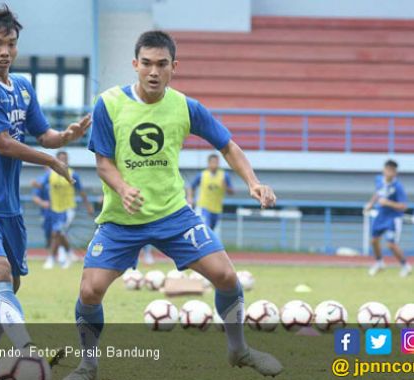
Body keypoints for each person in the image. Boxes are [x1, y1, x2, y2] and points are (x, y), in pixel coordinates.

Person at [64, 30, 282, 380]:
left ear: (174, 67)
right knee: (90, 289)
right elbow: (103, 162)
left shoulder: (185, 107)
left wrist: (254, 183)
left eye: (162, 64)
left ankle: (239, 350)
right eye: (146, 64)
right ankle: (87, 365)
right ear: (135, 64)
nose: (153, 71)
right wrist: (122, 188)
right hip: (121, 219)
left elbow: (227, 145)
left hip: (173, 215)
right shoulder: (108, 103)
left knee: (226, 276)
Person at [0, 6, 90, 379]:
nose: (5, 51)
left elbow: (44, 134)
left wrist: (67, 137)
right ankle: (28, 353)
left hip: (7, 205)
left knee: (12, 281)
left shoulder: (24, 87)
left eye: (10, 43)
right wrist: (51, 161)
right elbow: (4, 145)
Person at [36, 151, 94, 269]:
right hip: (54, 209)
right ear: (56, 160)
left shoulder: (73, 174)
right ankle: (69, 254)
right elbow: (41, 185)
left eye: (65, 159)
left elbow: (81, 191)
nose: (63, 161)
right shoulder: (49, 174)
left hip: (68, 209)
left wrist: (88, 206)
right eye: (61, 158)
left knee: (57, 232)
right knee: (59, 234)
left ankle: (51, 259)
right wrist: (35, 185)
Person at [364, 160, 411, 277]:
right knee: (374, 240)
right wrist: (370, 203)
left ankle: (405, 265)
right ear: (384, 170)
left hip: (393, 218)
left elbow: (403, 206)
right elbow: (378, 193)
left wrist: (388, 203)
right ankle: (379, 263)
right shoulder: (379, 180)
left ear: (395, 173)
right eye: (387, 169)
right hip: (381, 215)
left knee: (391, 244)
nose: (389, 172)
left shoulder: (397, 187)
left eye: (392, 170)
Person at [187, 153, 234, 230]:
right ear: (208, 163)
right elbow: (191, 187)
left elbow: (231, 192)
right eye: (213, 162)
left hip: (217, 209)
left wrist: (226, 187)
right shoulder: (202, 175)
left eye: (216, 162)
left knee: (212, 231)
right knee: (206, 229)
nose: (215, 164)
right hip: (203, 207)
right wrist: (190, 198)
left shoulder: (224, 175)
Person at [31, 168, 52, 254]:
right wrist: (43, 203)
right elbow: (35, 197)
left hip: (62, 211)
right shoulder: (42, 179)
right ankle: (50, 254)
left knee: (60, 232)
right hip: (46, 212)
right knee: (49, 233)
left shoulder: (63, 177)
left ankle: (64, 253)